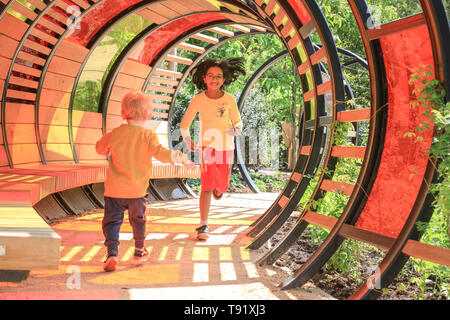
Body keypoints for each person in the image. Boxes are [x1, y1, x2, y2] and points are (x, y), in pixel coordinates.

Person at [96, 91, 190, 272]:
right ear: (149, 115)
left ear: (123, 114)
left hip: (114, 190)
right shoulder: (148, 135)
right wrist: (182, 157)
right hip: (137, 191)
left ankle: (112, 254)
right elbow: (163, 154)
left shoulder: (116, 133)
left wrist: (109, 146)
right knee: (138, 220)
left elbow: (100, 148)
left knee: (112, 222)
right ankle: (139, 249)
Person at [180, 57, 246, 240]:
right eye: (211, 76)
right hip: (206, 148)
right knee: (206, 186)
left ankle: (220, 188)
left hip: (226, 147)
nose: (214, 79)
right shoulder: (198, 100)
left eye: (218, 76)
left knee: (222, 184)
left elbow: (238, 121)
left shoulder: (230, 99)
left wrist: (237, 129)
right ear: (204, 78)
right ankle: (203, 225)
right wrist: (188, 141)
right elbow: (184, 125)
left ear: (224, 79)